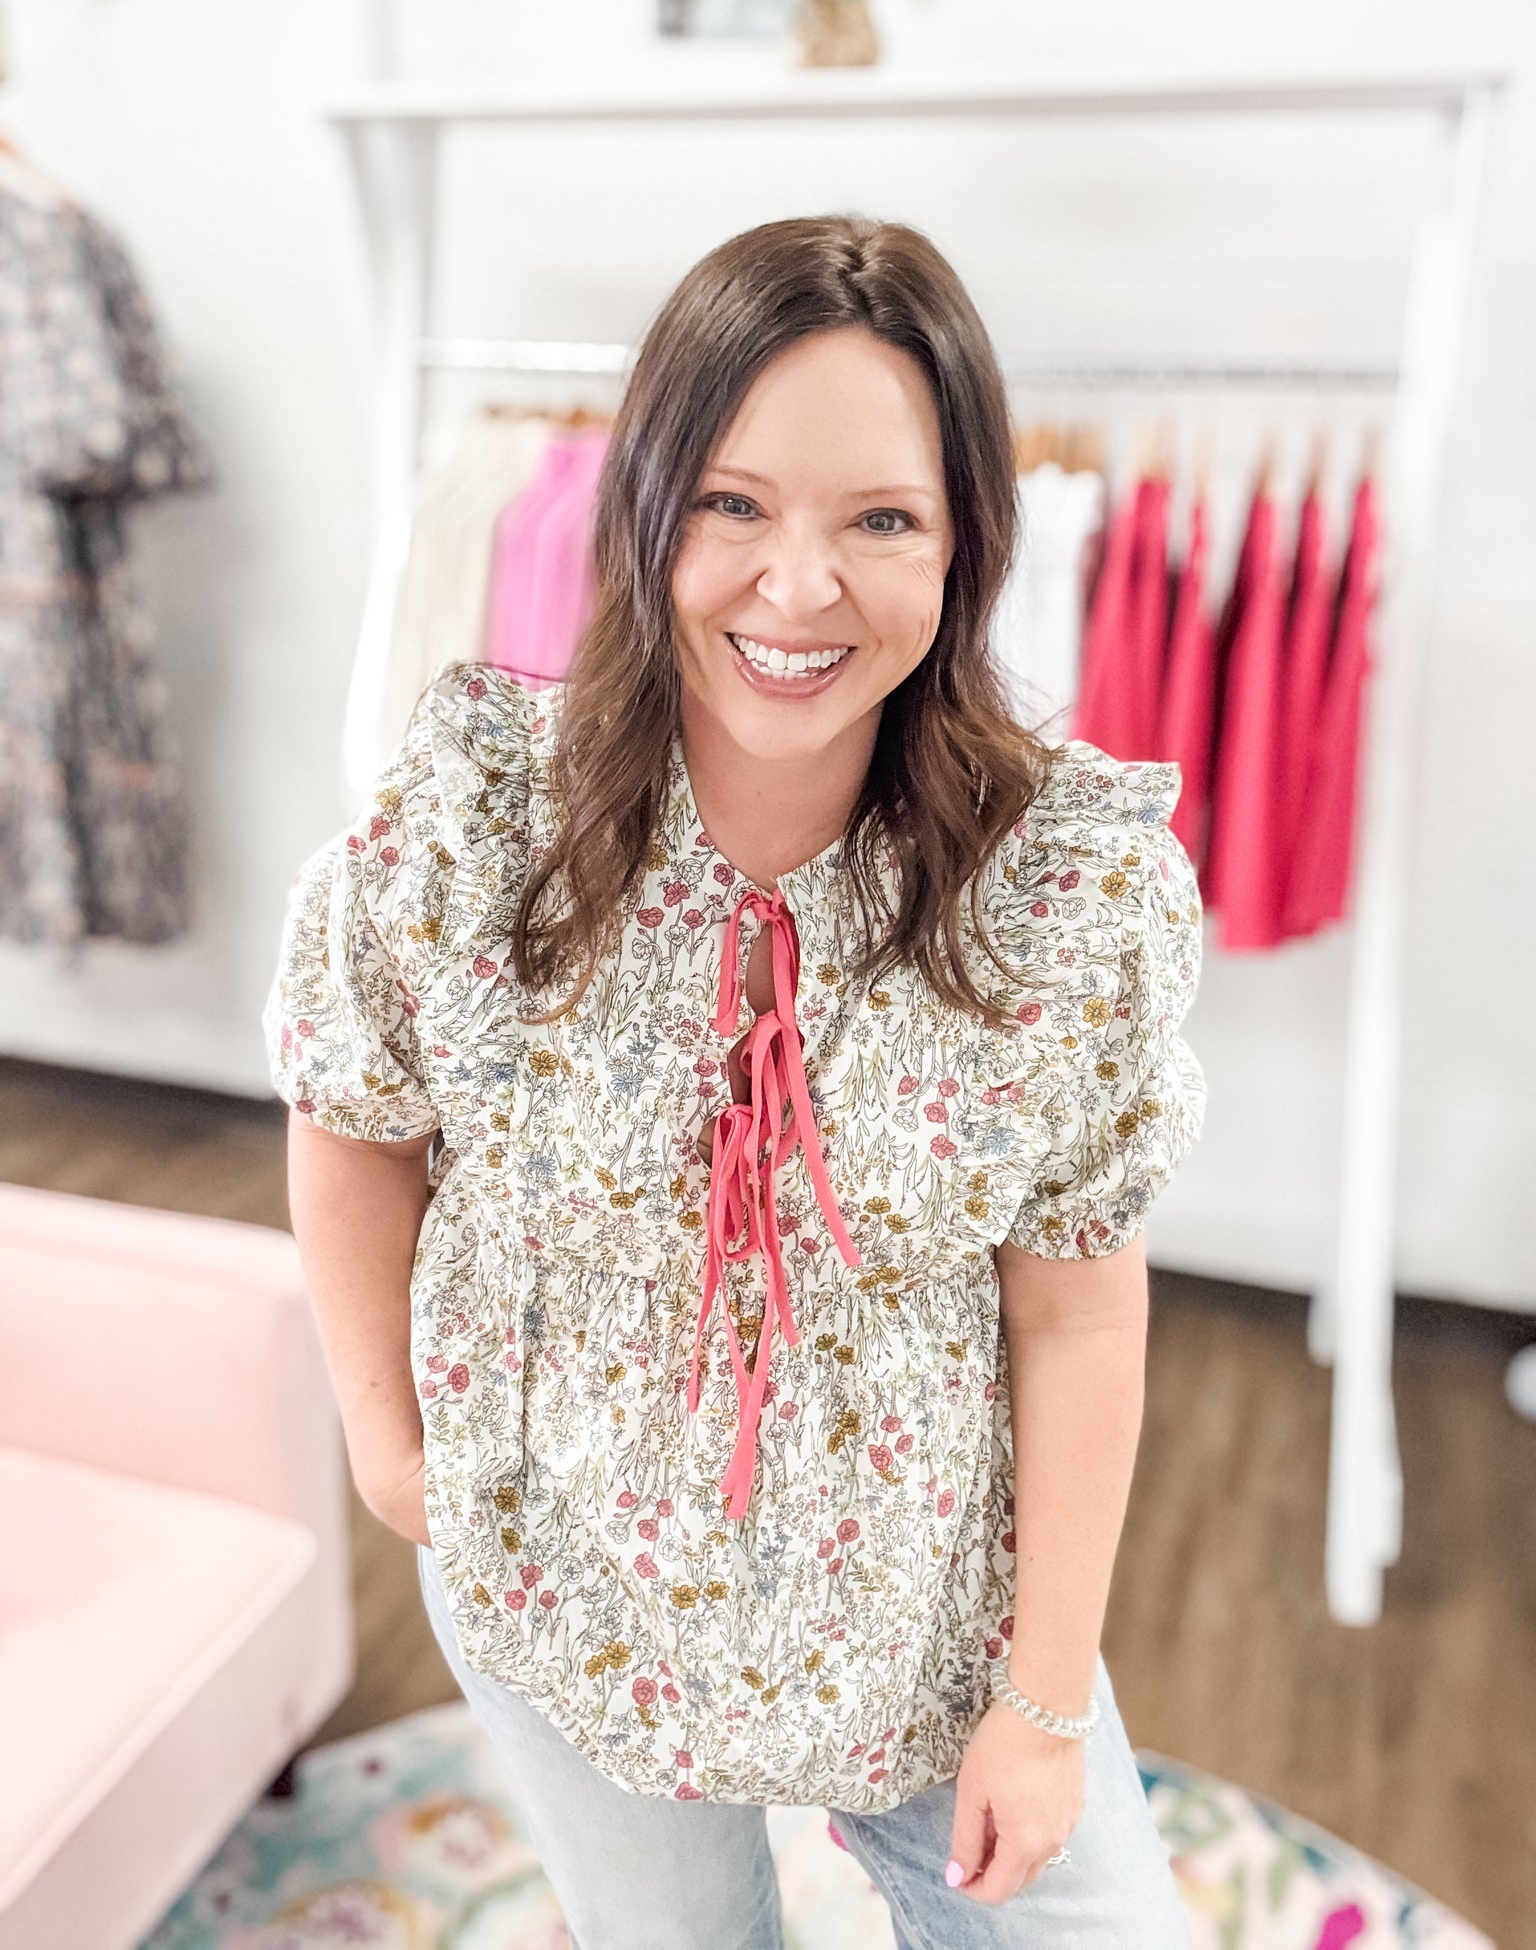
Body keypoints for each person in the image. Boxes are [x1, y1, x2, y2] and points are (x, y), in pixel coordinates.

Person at [265, 214, 1204, 1947]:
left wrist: (1048, 1696)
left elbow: (1078, 1310)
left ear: (966, 545)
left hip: (928, 1606)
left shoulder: (1068, 890)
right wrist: (396, 1456)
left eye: (882, 520)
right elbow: (353, 1121)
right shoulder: (476, 828)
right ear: (646, 506)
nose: (798, 586)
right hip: (565, 1572)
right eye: (732, 504)